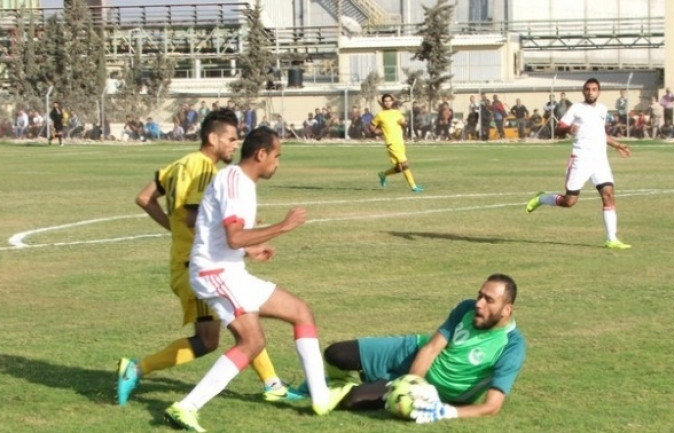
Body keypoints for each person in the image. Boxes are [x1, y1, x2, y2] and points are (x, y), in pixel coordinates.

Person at [164, 127, 351, 432]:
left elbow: (219, 233)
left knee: (300, 312)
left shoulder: (240, 182)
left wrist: (251, 249)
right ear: (261, 154)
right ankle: (186, 407)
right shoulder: (236, 182)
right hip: (215, 275)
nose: (278, 163)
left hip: (228, 271)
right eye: (277, 156)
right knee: (251, 341)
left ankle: (320, 398)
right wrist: (283, 226)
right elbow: (234, 236)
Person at [117, 110, 299, 408]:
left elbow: (145, 197)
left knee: (243, 316)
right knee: (210, 339)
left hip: (190, 259)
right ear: (212, 138)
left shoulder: (179, 163)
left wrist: (174, 228)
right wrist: (233, 225)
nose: (234, 144)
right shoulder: (203, 168)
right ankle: (137, 369)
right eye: (230, 138)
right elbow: (191, 215)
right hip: (200, 265)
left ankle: (272, 383)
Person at [319, 273, 525, 422]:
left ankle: (341, 388)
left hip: (433, 394)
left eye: (489, 300)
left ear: (507, 310)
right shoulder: (466, 309)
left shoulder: (512, 346)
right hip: (412, 351)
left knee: (353, 400)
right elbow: (431, 349)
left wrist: (445, 411)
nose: (479, 304)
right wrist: (412, 383)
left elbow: (491, 407)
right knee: (336, 353)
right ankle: (338, 381)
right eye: (480, 295)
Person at [525, 78, 632, 249]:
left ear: (599, 91)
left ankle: (611, 239)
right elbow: (559, 128)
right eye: (587, 89)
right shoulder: (576, 108)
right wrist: (568, 129)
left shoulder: (603, 109)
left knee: (608, 195)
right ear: (584, 91)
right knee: (569, 202)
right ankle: (543, 198)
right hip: (580, 159)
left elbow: (599, 134)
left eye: (594, 89)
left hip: (600, 161)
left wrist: (617, 145)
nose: (590, 92)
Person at [370, 94, 422, 192]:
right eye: (385, 101)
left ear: (392, 101)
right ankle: (413, 186)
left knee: (399, 168)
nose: (388, 102)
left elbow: (404, 124)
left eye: (389, 100)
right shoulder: (380, 115)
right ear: (383, 103)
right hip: (391, 143)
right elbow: (372, 126)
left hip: (400, 142)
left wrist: (404, 124)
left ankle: (383, 174)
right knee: (405, 164)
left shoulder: (397, 113)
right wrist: (378, 132)